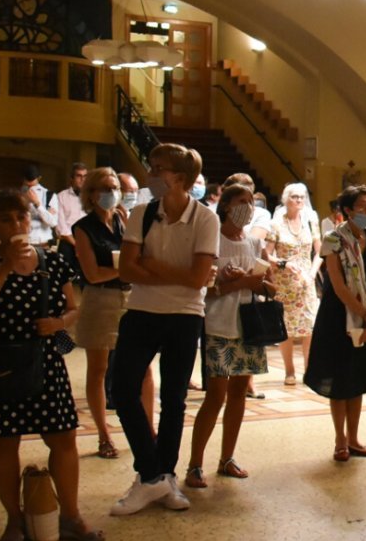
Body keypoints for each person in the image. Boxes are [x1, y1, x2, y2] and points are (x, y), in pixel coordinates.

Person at [0, 190, 103, 541]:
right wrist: (5, 266)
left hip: (44, 361)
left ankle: (71, 515)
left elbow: (73, 308)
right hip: (0, 365)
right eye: (6, 219)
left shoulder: (51, 261)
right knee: (5, 442)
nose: (16, 225)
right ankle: (14, 519)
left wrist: (58, 324)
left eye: (21, 218)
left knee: (63, 438)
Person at [109, 143, 220, 516]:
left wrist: (152, 265)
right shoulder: (141, 213)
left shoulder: (205, 219)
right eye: (151, 168)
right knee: (123, 389)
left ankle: (165, 475)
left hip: (185, 316)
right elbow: (126, 270)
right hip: (140, 311)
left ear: (182, 178)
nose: (151, 175)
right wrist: (184, 275)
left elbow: (199, 279)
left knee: (174, 399)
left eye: (159, 169)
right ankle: (151, 473)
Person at [186, 185, 273, 488]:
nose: (247, 207)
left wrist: (257, 282)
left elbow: (269, 286)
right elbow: (203, 286)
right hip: (219, 324)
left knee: (238, 394)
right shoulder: (213, 241)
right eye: (241, 202)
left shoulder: (253, 243)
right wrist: (230, 281)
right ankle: (195, 463)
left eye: (251, 202)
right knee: (215, 396)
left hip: (248, 324)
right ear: (225, 206)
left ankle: (227, 458)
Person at [72, 167, 154, 458]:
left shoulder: (123, 220)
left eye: (115, 187)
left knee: (144, 367)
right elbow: (92, 274)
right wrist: (124, 268)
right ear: (91, 195)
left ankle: (148, 428)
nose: (112, 194)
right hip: (100, 300)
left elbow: (140, 254)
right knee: (99, 369)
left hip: (131, 297)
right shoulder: (82, 228)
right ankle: (103, 435)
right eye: (105, 188)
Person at [304, 184, 366, 462]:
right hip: (338, 316)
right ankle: (340, 439)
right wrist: (365, 317)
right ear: (348, 210)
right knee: (340, 379)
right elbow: (338, 286)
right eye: (363, 205)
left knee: (358, 377)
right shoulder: (333, 239)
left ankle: (354, 438)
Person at [266, 182, 322, 385]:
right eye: (294, 196)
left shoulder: (310, 220)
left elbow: (320, 250)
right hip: (284, 281)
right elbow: (267, 254)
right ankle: (289, 370)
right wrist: (284, 263)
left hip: (306, 281)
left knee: (309, 325)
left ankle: (309, 368)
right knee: (286, 328)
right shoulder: (276, 223)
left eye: (302, 196)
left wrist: (313, 272)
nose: (299, 200)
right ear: (286, 199)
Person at [54, 162, 88, 281]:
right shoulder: (61, 197)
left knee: (87, 278)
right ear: (71, 179)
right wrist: (76, 245)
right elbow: (61, 227)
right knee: (63, 277)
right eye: (79, 176)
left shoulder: (92, 197)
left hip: (87, 240)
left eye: (85, 176)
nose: (82, 179)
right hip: (68, 241)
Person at [22, 164, 57, 247]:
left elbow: (52, 222)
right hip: (24, 242)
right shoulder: (18, 196)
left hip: (44, 242)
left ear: (39, 178)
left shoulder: (49, 195)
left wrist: (37, 204)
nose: (31, 188)